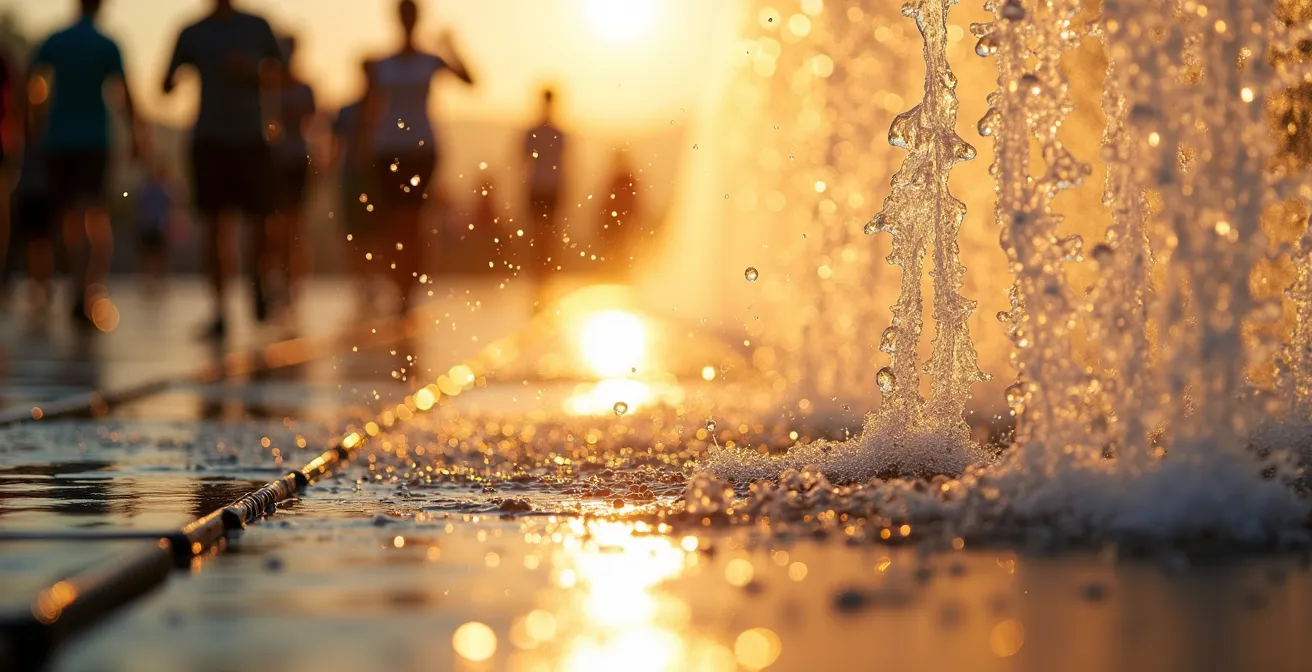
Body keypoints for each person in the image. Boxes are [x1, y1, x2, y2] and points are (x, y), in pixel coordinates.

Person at [163, 0, 286, 339]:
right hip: (210, 139)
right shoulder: (192, 32)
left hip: (252, 138)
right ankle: (219, 310)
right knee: (215, 224)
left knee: (260, 222)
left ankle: (259, 284)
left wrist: (253, 71)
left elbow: (284, 74)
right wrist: (177, 77)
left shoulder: (258, 26)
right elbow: (165, 83)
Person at [26, 0, 143, 325]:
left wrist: (35, 116)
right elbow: (124, 92)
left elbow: (32, 77)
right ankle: (91, 289)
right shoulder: (106, 44)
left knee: (69, 217)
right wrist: (136, 135)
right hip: (93, 140)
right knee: (93, 213)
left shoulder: (57, 40)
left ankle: (78, 285)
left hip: (60, 139)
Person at [358, 0, 473, 319]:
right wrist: (363, 146)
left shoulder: (430, 60)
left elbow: (469, 80)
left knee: (414, 218)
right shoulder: (382, 64)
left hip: (421, 149)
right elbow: (370, 106)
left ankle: (409, 289)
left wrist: (451, 47)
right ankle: (399, 286)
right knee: (392, 220)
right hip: (387, 148)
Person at [268, 35, 316, 320]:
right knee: (275, 227)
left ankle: (294, 284)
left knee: (295, 225)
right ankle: (278, 281)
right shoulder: (269, 87)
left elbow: (312, 123)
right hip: (274, 162)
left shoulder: (303, 88)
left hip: (296, 160)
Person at [330, 60, 379, 314]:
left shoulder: (383, 110)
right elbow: (335, 144)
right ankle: (363, 281)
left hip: (375, 178)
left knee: (375, 232)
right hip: (352, 177)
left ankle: (374, 280)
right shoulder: (348, 111)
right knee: (356, 233)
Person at [522, 87, 566, 309]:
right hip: (540, 186)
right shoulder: (545, 132)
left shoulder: (550, 132)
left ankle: (544, 274)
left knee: (545, 231)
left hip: (546, 186)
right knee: (542, 231)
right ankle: (540, 274)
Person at [136, 161, 183, 298]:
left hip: (159, 227)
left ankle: (161, 284)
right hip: (149, 227)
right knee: (148, 256)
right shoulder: (150, 189)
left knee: (160, 257)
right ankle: (147, 284)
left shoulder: (163, 189)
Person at [598, 148, 639, 278]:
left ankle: (618, 269)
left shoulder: (622, 178)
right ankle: (617, 269)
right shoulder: (623, 178)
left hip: (620, 215)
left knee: (619, 243)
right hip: (619, 215)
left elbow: (630, 198)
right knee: (618, 242)